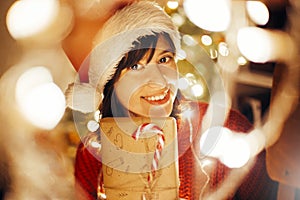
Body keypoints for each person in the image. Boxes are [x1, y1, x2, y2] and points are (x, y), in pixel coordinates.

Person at [66, 1, 278, 199]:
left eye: (164, 59)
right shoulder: (92, 154)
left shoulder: (226, 131)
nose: (159, 79)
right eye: (136, 67)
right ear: (110, 81)